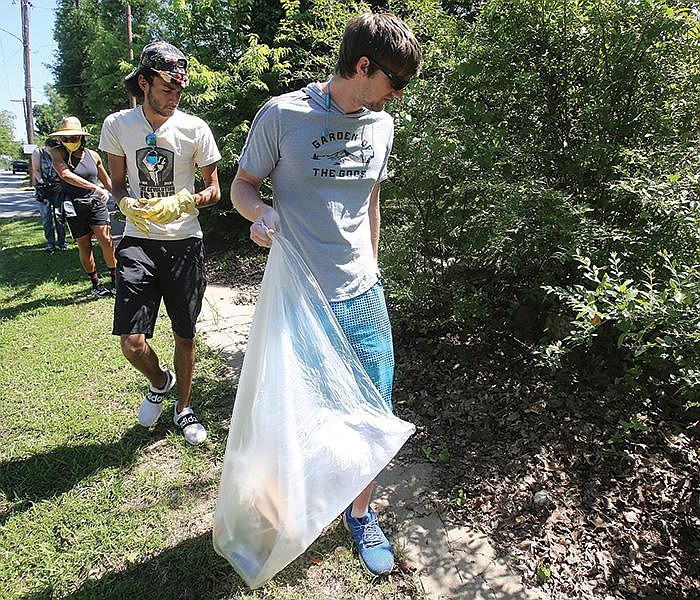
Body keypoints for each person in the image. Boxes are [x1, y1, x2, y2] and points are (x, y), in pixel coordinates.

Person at [231, 12, 421, 576]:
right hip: (298, 293)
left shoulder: (380, 126)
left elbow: (369, 203)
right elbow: (242, 186)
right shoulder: (282, 115)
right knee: (293, 406)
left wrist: (374, 268)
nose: (398, 95)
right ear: (363, 66)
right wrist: (260, 212)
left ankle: (360, 514)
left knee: (372, 405)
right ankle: (290, 504)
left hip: (361, 291)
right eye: (395, 82)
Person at [99, 41, 221, 445]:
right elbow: (116, 184)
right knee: (132, 343)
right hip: (139, 240)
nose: (174, 98)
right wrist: (126, 203)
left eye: (179, 91)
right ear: (145, 82)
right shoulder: (118, 125)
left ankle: (183, 409)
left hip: (185, 242)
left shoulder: (194, 129)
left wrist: (185, 200)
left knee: (185, 333)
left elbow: (215, 189)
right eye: (167, 88)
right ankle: (161, 381)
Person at [48, 117, 116, 297]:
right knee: (84, 245)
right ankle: (96, 284)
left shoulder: (93, 155)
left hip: (95, 204)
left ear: (81, 137)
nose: (70, 142)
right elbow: (65, 174)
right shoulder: (57, 153)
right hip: (73, 206)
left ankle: (115, 279)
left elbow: (107, 180)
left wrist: (122, 197)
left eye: (74, 138)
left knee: (106, 240)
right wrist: (94, 187)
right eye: (66, 139)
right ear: (60, 139)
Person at [32, 139, 68, 253]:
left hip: (58, 189)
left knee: (60, 216)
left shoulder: (60, 152)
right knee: (46, 218)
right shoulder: (38, 152)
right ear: (46, 147)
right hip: (44, 189)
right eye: (51, 150)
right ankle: (50, 243)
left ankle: (62, 242)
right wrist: (41, 181)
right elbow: (36, 170)